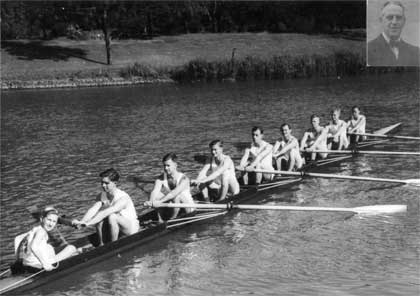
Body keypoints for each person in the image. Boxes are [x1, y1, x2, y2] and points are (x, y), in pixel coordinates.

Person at [72, 168, 139, 246]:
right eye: (102, 183)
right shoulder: (101, 195)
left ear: (115, 183)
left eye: (106, 183)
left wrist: (88, 223)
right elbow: (93, 209)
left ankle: (114, 245)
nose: (103, 185)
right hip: (116, 227)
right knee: (99, 216)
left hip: (130, 229)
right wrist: (82, 221)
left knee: (112, 216)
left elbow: (106, 212)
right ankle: (102, 245)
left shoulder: (123, 198)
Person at [16, 207, 77, 272]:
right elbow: (33, 246)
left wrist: (18, 260)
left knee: (49, 247)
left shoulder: (34, 229)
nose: (51, 224)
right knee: (71, 248)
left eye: (54, 221)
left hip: (26, 263)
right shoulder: (41, 231)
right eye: (49, 220)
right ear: (42, 219)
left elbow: (17, 239)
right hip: (38, 265)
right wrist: (45, 264)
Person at [367, 1, 420, 66]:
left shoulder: (416, 52)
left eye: (398, 18)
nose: (394, 22)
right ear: (381, 20)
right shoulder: (368, 50)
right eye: (390, 17)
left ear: (404, 21)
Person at [145, 153, 195, 222]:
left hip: (188, 208)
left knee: (177, 196)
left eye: (168, 166)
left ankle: (172, 219)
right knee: (158, 195)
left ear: (175, 165)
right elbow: (155, 191)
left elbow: (173, 193)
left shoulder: (184, 179)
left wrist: (160, 202)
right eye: (164, 166)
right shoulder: (161, 178)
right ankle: (161, 219)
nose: (165, 168)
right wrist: (151, 201)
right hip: (175, 206)